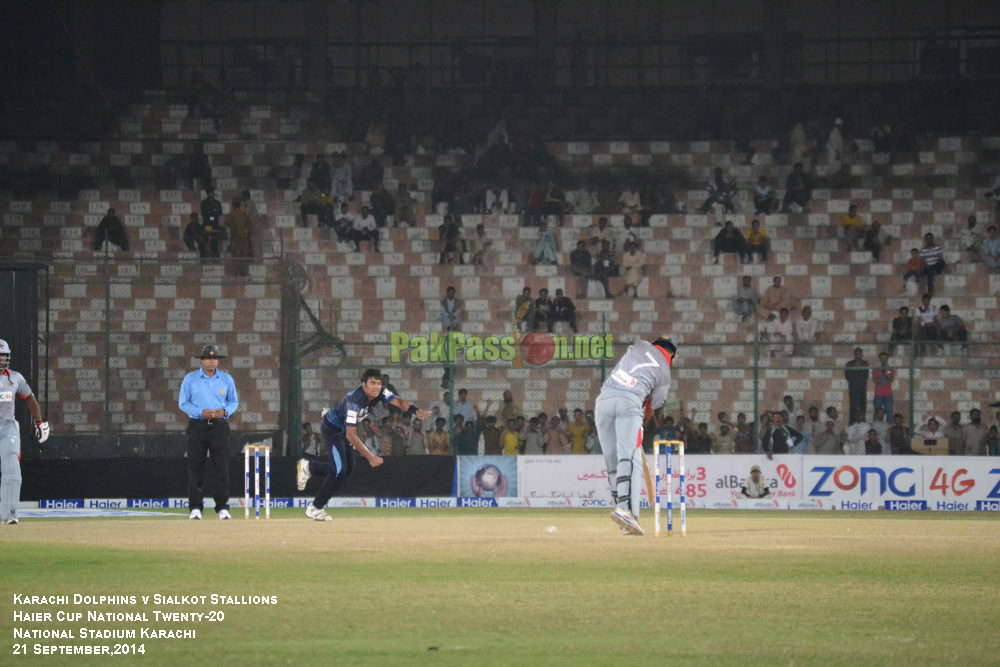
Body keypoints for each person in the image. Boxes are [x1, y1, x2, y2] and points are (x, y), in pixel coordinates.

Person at [296, 369, 431, 521]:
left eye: (379, 383)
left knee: (348, 470)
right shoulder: (355, 402)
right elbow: (351, 435)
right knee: (339, 471)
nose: (377, 386)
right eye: (372, 383)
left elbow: (398, 402)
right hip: (332, 429)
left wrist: (416, 410)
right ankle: (315, 508)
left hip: (344, 431)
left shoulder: (380, 392)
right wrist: (370, 457)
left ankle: (309, 467)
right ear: (364, 385)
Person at [594, 336, 677, 536]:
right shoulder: (665, 373)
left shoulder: (639, 345)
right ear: (672, 355)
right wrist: (640, 423)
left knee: (612, 461)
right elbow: (651, 407)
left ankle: (625, 520)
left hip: (603, 401)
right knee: (628, 456)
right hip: (629, 402)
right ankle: (624, 510)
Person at [178, 345, 239, 520]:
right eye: (208, 358)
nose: (212, 360)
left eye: (215, 358)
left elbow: (234, 401)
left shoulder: (226, 379)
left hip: (219, 426)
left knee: (221, 467)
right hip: (197, 425)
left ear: (218, 360)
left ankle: (222, 507)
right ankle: (195, 507)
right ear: (202, 360)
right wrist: (199, 412)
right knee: (195, 466)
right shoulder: (191, 379)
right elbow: (183, 403)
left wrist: (225, 411)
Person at [0, 340, 49, 524]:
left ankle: (10, 515)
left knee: (12, 468)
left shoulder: (15, 378)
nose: (1, 359)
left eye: (3, 355)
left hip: (7, 429)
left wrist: (39, 422)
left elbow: (29, 397)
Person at [226, 199, 254, 277]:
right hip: (243, 240)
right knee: (243, 256)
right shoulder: (244, 215)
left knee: (235, 256)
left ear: (233, 206)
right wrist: (245, 230)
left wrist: (235, 230)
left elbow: (227, 223)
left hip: (235, 240)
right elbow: (250, 227)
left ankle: (236, 274)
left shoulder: (230, 215)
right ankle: (243, 273)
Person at [844, 348, 870, 420]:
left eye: (859, 353)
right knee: (853, 407)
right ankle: (852, 423)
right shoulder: (849, 364)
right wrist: (856, 380)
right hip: (853, 388)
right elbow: (847, 376)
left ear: (862, 354)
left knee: (863, 406)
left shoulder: (865, 364)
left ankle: (862, 422)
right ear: (854, 354)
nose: (858, 355)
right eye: (856, 353)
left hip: (862, 388)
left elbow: (866, 376)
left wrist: (857, 378)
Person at [871, 352, 895, 418]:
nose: (883, 360)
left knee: (889, 411)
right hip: (878, 394)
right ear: (880, 359)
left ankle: (889, 427)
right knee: (877, 412)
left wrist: (887, 370)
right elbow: (876, 381)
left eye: (885, 359)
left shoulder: (890, 370)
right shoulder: (876, 369)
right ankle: (875, 427)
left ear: (887, 359)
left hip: (888, 394)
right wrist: (886, 381)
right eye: (882, 359)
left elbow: (890, 379)